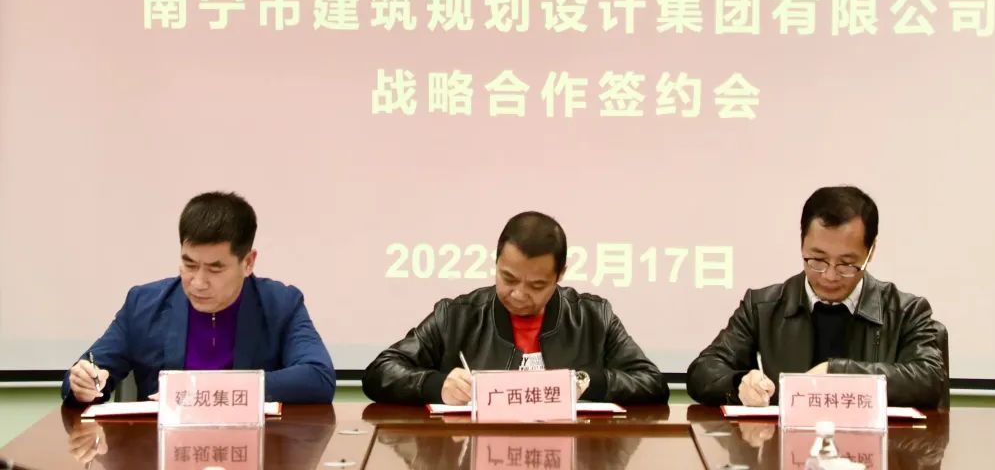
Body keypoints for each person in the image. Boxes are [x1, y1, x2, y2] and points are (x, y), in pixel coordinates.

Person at [363, 211, 668, 405]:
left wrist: (587, 382)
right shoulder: (457, 316)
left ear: (560, 275)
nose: (519, 294)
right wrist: (435, 385)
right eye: (508, 278)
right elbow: (380, 372)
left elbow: (651, 383)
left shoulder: (592, 317)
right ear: (496, 262)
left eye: (537, 285)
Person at [61, 191, 335, 406]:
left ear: (248, 262)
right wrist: (84, 383)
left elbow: (318, 377)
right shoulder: (143, 304)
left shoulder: (281, 304)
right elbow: (86, 374)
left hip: (254, 448)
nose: (198, 282)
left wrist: (210, 390)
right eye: (189, 265)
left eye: (215, 269)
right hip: (161, 450)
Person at [687, 186, 946, 408]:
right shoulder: (763, 306)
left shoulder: (906, 311)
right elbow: (703, 371)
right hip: (786, 447)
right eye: (818, 260)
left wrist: (838, 373)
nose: (830, 276)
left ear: (871, 251)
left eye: (846, 264)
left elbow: (930, 378)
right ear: (802, 243)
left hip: (879, 448)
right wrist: (739, 383)